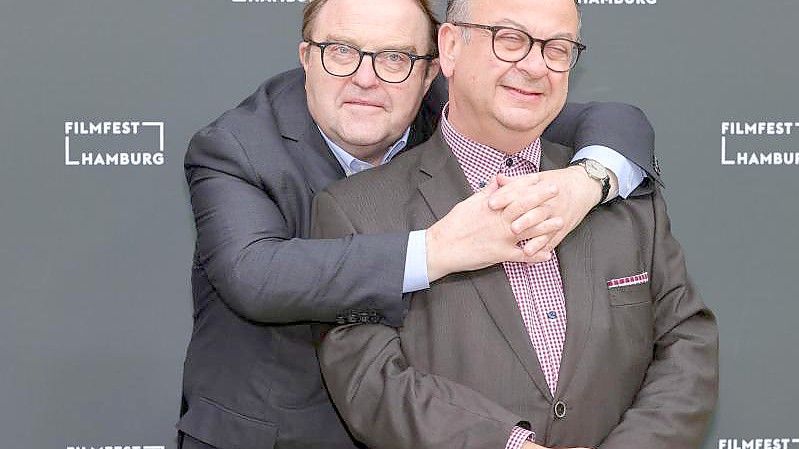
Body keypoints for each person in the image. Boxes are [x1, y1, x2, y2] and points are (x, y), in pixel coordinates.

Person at [177, 0, 661, 447]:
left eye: (395, 57)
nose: (366, 78)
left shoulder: (449, 109)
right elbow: (255, 274)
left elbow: (618, 122)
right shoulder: (236, 147)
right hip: (268, 436)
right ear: (306, 57)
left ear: (433, 70)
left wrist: (586, 182)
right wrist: (436, 249)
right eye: (342, 51)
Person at [313, 0, 719, 448]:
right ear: (449, 48)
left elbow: (686, 343)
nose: (534, 66)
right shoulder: (357, 212)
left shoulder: (620, 196)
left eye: (557, 49)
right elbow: (373, 383)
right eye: (510, 40)